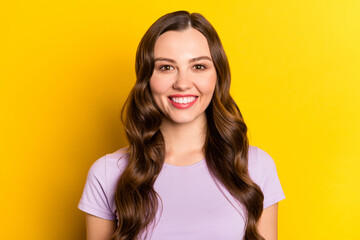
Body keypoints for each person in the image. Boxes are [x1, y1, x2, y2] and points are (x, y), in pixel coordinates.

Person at [78, 10, 285, 240]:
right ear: (147, 78)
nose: (182, 83)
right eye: (166, 67)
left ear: (217, 75)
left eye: (198, 67)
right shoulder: (108, 173)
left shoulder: (255, 168)